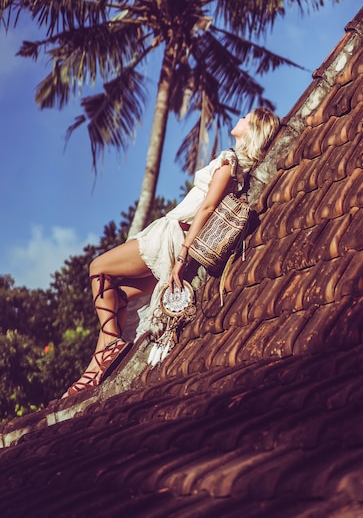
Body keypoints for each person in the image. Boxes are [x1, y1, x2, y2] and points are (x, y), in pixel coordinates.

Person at [62, 108, 280, 397]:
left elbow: (207, 208)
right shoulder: (237, 171)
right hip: (176, 239)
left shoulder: (230, 163)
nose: (240, 118)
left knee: (98, 268)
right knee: (120, 296)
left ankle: (111, 344)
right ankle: (90, 377)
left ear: (252, 128)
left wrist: (182, 257)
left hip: (171, 237)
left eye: (247, 117)